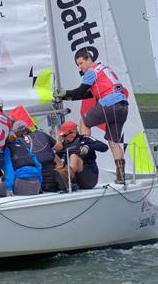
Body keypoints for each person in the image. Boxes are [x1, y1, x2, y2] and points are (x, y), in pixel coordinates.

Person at [55, 48, 129, 183]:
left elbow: (81, 90)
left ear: (89, 59)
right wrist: (67, 97)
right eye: (78, 65)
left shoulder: (91, 71)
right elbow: (89, 94)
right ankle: (121, 177)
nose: (80, 67)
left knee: (84, 122)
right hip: (123, 106)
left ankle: (87, 147)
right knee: (114, 142)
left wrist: (64, 93)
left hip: (109, 104)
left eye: (81, 63)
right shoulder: (105, 69)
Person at [54, 120, 108, 190]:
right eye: (61, 135)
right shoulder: (63, 145)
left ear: (73, 133)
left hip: (88, 177)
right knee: (54, 157)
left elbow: (104, 147)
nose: (63, 137)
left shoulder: (85, 139)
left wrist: (88, 146)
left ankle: (66, 179)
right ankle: (58, 181)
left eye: (64, 135)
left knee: (74, 157)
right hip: (75, 181)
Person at [2, 121, 42, 196]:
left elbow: (9, 169)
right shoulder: (24, 147)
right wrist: (40, 182)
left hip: (22, 182)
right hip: (36, 183)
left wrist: (9, 188)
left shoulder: (7, 149)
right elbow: (38, 165)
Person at [21, 124, 61, 193]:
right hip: (51, 174)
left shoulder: (18, 141)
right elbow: (59, 147)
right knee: (54, 155)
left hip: (33, 180)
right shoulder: (41, 133)